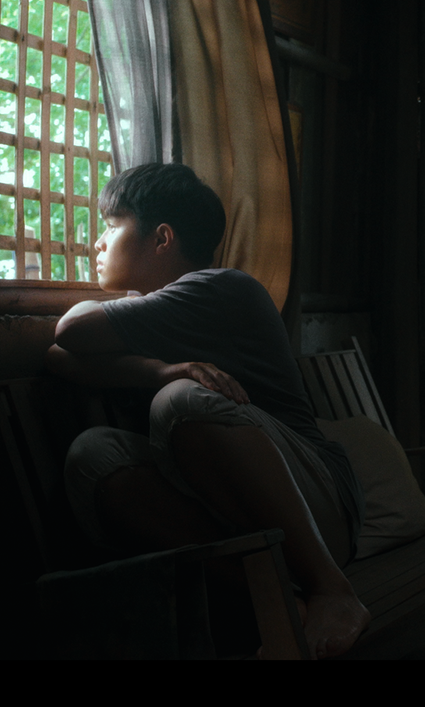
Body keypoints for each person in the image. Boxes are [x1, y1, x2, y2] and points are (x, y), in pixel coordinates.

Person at [47, 162, 369, 659]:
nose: (97, 243)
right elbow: (59, 355)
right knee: (93, 454)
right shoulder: (154, 309)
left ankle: (332, 590)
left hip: (320, 512)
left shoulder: (223, 288)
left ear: (162, 238)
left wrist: (168, 381)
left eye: (111, 227)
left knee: (181, 402)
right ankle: (281, 599)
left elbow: (69, 331)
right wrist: (160, 370)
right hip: (236, 519)